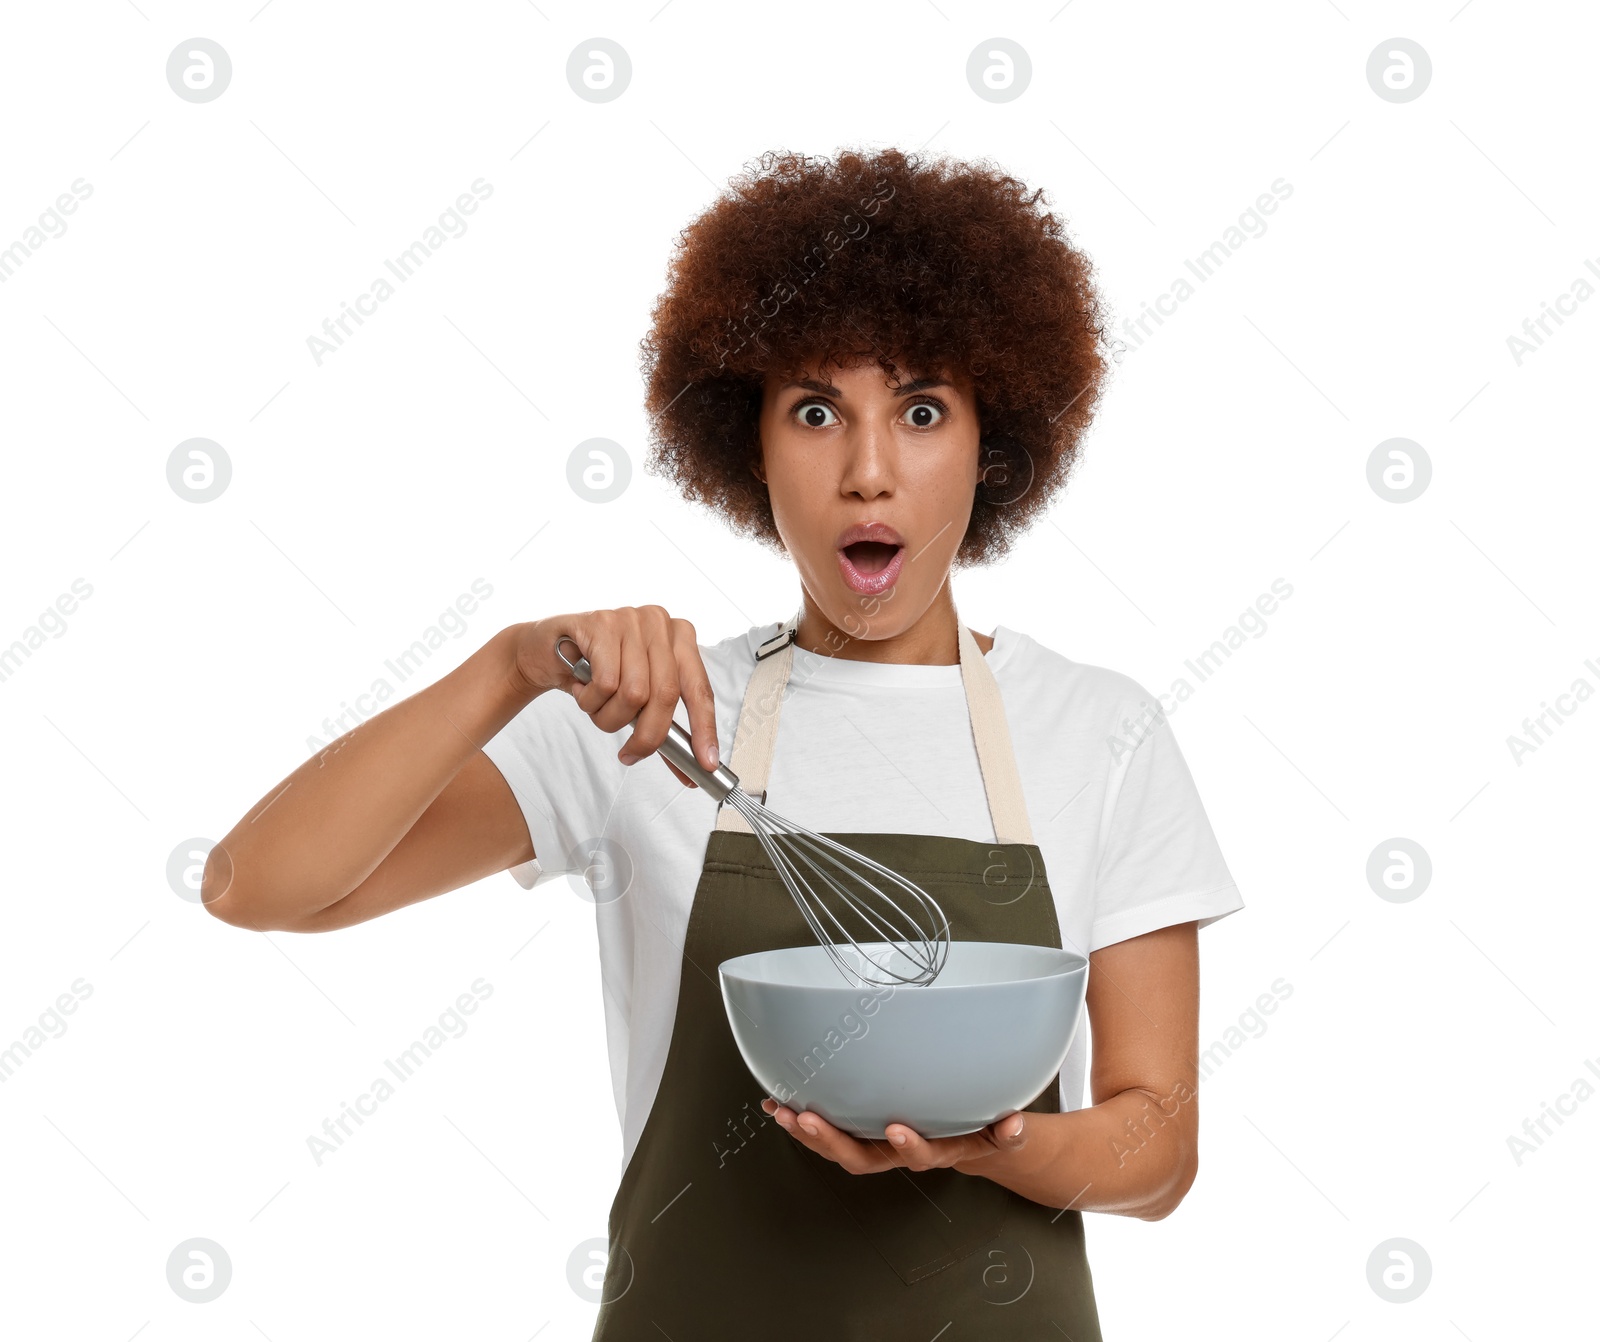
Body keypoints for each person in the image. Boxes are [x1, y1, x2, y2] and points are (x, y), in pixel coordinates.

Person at [205, 146, 1243, 1339]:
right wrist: (508, 668)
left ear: (987, 438)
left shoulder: (1099, 731)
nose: (867, 473)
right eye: (815, 411)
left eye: (919, 410)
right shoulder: (645, 720)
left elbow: (1157, 1146)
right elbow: (257, 887)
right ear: (747, 446)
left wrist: (990, 1148)